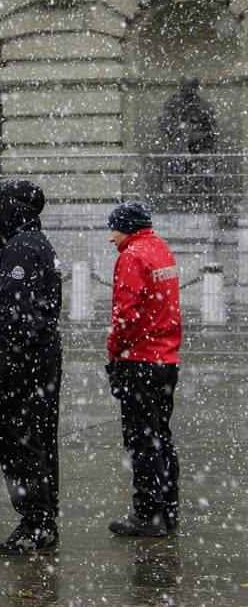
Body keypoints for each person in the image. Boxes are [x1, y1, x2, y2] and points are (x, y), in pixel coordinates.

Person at [0, 179, 63, 556]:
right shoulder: (36, 243)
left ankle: (36, 521)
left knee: (18, 435)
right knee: (39, 435)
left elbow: (12, 312)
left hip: (24, 359)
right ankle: (44, 515)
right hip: (40, 357)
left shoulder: (21, 248)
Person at [105, 200, 182, 536]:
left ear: (127, 228)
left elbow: (126, 314)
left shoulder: (132, 257)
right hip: (166, 359)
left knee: (141, 440)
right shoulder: (161, 249)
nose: (111, 236)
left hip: (140, 360)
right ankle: (168, 507)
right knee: (161, 435)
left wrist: (113, 348)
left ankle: (148, 512)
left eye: (113, 228)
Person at [159, 74, 217, 209]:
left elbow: (212, 130)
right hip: (178, 148)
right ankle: (173, 200)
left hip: (199, 148)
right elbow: (165, 123)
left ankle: (202, 200)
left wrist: (196, 137)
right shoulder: (173, 105)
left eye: (189, 87)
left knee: (205, 168)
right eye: (184, 87)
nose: (186, 90)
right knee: (169, 164)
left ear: (195, 88)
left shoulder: (203, 106)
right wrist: (180, 134)